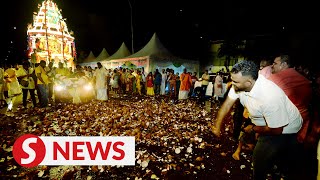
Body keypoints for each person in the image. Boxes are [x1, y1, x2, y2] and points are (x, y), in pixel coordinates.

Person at [212, 60, 302, 180]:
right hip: (267, 122)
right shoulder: (239, 85)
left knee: (259, 159)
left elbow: (276, 130)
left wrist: (253, 129)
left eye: (235, 81)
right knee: (272, 161)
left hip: (286, 129)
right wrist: (218, 125)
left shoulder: (270, 96)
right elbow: (227, 105)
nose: (231, 84)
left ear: (249, 82)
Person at [269, 54, 312, 143]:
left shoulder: (275, 78)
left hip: (284, 125)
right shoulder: (305, 80)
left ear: (284, 64)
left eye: (275, 63)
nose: (272, 66)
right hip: (301, 124)